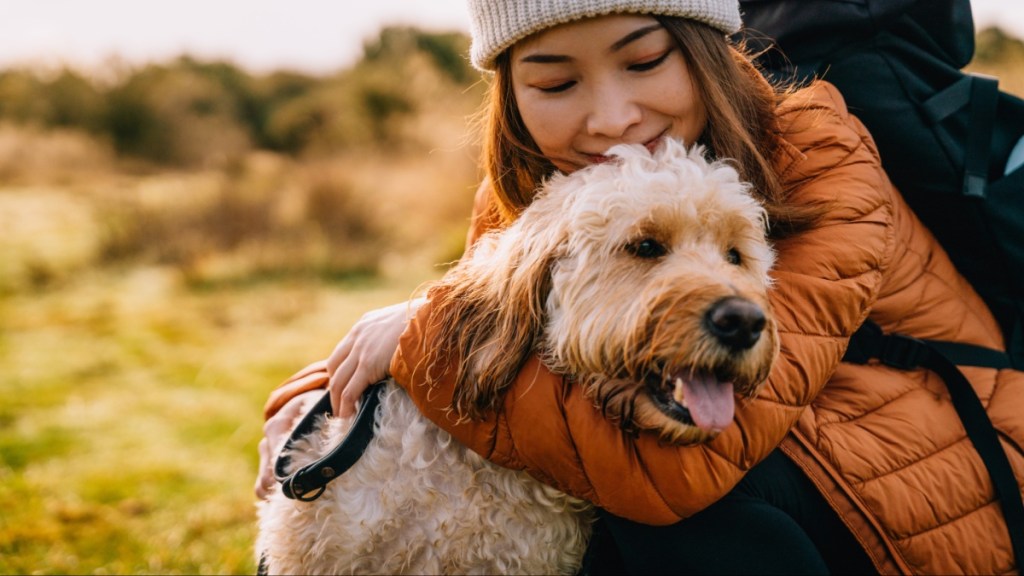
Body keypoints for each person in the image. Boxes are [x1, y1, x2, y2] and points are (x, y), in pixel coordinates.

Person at [255, 1, 1024, 573]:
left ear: (704, 51)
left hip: (939, 477)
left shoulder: (818, 150)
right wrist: (323, 403)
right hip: (788, 476)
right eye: (555, 81)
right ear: (512, 98)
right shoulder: (538, 187)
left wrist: (425, 337)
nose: (614, 118)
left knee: (673, 512)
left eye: (644, 61)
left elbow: (689, 457)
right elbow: (488, 335)